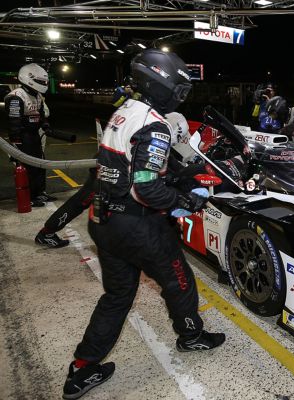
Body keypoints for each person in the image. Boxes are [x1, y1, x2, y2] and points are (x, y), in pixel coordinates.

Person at [62, 49, 225, 400]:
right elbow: (146, 187)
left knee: (117, 296)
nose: (182, 95)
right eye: (179, 88)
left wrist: (179, 178)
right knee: (179, 281)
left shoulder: (126, 110)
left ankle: (82, 368)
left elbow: (131, 169)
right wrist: (185, 201)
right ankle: (191, 336)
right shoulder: (155, 124)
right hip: (136, 226)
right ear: (163, 83)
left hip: (103, 219)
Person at [34, 111, 188, 249]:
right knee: (83, 203)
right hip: (109, 172)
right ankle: (47, 233)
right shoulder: (156, 136)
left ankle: (48, 232)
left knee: (91, 203)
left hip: (109, 165)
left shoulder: (147, 125)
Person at [5, 63, 57, 207]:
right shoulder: (16, 97)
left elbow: (41, 115)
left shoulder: (37, 95)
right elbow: (14, 122)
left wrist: (45, 126)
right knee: (28, 168)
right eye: (40, 82)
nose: (42, 85)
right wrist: (16, 142)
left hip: (34, 136)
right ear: (28, 79)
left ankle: (40, 193)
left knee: (40, 164)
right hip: (23, 137)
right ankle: (30, 197)